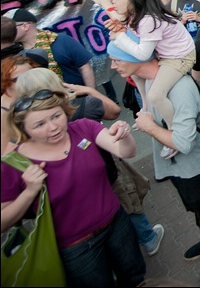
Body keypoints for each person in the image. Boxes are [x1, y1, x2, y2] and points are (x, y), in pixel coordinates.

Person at [108, 39, 200, 287]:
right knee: (198, 210)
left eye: (117, 59)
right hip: (180, 167)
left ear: (140, 57)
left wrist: (148, 127)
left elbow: (184, 142)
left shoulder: (178, 88)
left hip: (196, 167)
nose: (113, 66)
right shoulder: (152, 82)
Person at [0, 88, 145, 287]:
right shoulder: (13, 164)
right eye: (39, 124)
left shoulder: (83, 127)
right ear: (23, 129)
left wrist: (124, 135)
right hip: (77, 247)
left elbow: (125, 151)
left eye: (57, 116)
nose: (53, 127)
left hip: (116, 224)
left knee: (135, 278)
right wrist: (29, 192)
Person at [92, 0, 196, 159]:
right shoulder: (137, 15)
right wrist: (110, 12)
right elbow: (116, 16)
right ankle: (146, 108)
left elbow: (142, 54)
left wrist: (119, 37)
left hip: (179, 57)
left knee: (156, 94)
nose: (113, 1)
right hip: (166, 54)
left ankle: (174, 131)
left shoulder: (149, 19)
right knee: (140, 78)